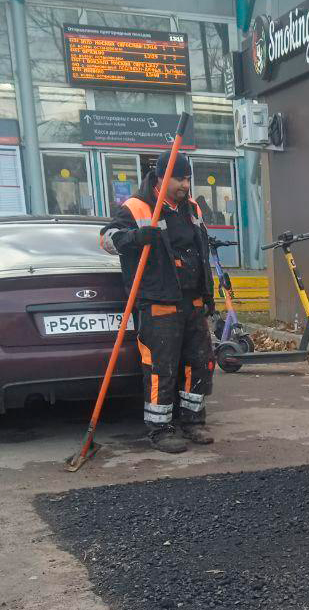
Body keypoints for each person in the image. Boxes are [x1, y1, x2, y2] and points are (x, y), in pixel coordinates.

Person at [99, 151, 217, 454]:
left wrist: (207, 294)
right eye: (179, 178)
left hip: (191, 301)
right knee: (160, 368)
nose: (185, 184)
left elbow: (201, 250)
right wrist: (137, 237)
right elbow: (107, 239)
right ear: (162, 177)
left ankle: (193, 422)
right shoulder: (137, 207)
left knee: (200, 364)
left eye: (188, 178)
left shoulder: (190, 208)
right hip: (158, 302)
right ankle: (160, 429)